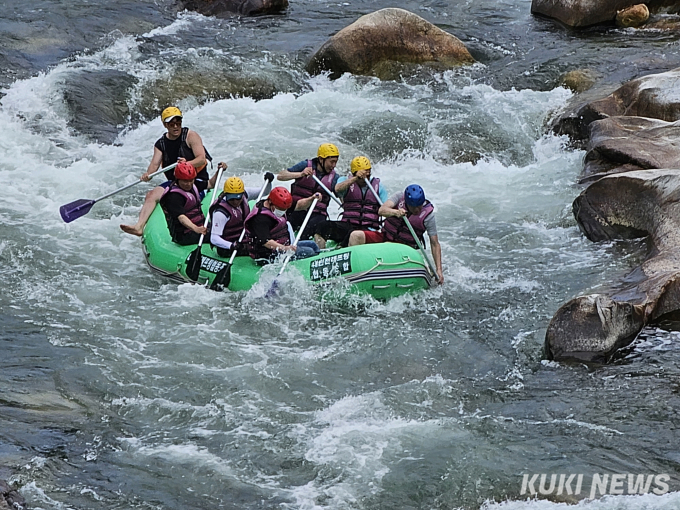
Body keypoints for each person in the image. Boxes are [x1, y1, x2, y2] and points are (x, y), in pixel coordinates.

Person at [120, 106, 212, 236]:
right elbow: (154, 164)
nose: (176, 126)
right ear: (165, 125)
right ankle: (139, 226)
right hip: (176, 182)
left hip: (195, 180)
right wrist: (148, 174)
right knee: (151, 195)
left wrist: (186, 164)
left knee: (180, 200)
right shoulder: (161, 144)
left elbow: (201, 159)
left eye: (178, 123)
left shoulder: (191, 136)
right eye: (172, 124)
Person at [348, 184, 444, 284]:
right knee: (355, 236)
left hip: (405, 249)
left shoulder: (428, 215)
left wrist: (439, 269)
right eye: (413, 207)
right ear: (407, 203)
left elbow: (434, 243)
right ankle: (353, 273)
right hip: (385, 237)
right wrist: (396, 212)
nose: (417, 210)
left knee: (429, 273)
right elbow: (381, 210)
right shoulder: (399, 197)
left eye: (419, 206)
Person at [313, 156, 388, 249]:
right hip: (348, 224)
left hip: (368, 228)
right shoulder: (345, 180)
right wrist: (355, 178)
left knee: (353, 235)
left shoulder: (378, 186)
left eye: (368, 175)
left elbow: (386, 207)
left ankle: (343, 248)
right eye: (363, 176)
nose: (366, 178)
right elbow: (337, 189)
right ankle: (319, 254)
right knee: (322, 226)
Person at [276, 143, 341, 239]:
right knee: (287, 225)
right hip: (297, 209)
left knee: (313, 226)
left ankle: (303, 246)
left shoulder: (334, 177)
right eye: (331, 162)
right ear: (321, 159)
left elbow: (342, 195)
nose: (334, 165)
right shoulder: (305, 165)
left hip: (318, 214)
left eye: (336, 162)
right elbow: (281, 176)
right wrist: (300, 174)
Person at [209, 165, 274, 257]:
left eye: (238, 198)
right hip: (228, 246)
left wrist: (268, 182)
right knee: (263, 250)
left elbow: (264, 192)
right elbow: (214, 238)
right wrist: (231, 245)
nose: (235, 202)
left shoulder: (245, 193)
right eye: (231, 199)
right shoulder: (220, 212)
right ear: (226, 194)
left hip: (244, 237)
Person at [244, 187, 322, 264]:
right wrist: (285, 248)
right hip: (267, 254)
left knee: (312, 245)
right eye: (280, 209)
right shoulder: (260, 218)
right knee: (310, 251)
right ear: (270, 202)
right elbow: (266, 242)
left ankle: (321, 258)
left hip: (283, 244)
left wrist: (312, 199)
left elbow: (299, 205)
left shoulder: (278, 204)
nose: (283, 211)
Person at [159, 162, 212, 246]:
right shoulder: (173, 196)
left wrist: (219, 171)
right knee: (219, 235)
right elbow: (181, 217)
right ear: (177, 179)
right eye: (185, 181)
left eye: (191, 180)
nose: (188, 184)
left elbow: (211, 184)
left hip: (200, 225)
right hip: (184, 234)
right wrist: (196, 229)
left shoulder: (193, 185)